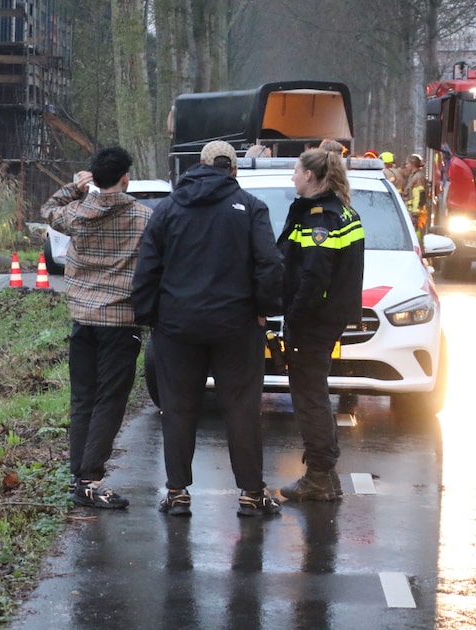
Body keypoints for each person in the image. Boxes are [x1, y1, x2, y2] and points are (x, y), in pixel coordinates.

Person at [132, 140, 284, 518]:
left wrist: (149, 315)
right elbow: (269, 263)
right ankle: (251, 494)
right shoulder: (251, 208)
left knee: (178, 408)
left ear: (198, 165)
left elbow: (147, 266)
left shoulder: (167, 210)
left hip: (177, 326)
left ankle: (177, 492)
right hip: (237, 326)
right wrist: (265, 310)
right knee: (242, 409)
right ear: (234, 169)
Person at [40, 146, 152, 509]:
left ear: (94, 178)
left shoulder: (76, 214)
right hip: (121, 321)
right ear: (125, 178)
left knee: (83, 398)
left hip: (83, 320)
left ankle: (79, 475)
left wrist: (75, 187)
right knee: (110, 400)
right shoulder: (143, 217)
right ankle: (90, 478)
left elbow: (47, 210)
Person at [278, 148, 364, 502]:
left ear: (310, 176)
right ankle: (326, 475)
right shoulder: (341, 211)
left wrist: (294, 317)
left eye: (296, 171)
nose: (293, 176)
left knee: (309, 398)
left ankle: (318, 476)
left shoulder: (320, 219)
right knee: (314, 394)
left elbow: (314, 276)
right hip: (326, 320)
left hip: (313, 322)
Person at [403, 153, 429, 238]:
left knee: (416, 233)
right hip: (412, 211)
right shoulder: (413, 176)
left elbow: (419, 195)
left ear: (412, 164)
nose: (406, 166)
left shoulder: (418, 177)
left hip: (416, 213)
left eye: (407, 163)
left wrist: (415, 213)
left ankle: (418, 245)